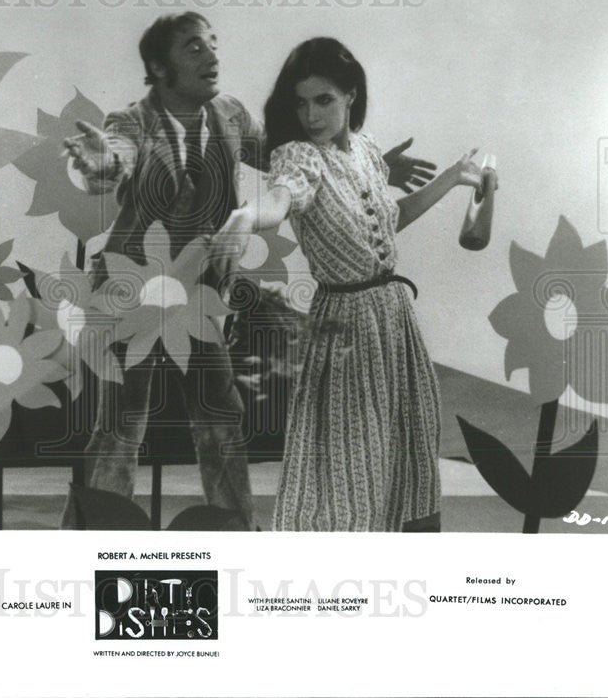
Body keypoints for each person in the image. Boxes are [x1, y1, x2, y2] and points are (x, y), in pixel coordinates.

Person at [61, 15, 440, 531]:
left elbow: (294, 159)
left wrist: (366, 168)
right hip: (134, 292)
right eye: (194, 49)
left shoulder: (231, 114)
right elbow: (113, 162)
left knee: (221, 416)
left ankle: (236, 533)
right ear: (158, 67)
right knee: (122, 423)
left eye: (213, 45)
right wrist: (98, 166)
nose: (212, 56)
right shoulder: (131, 122)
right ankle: (87, 538)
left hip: (198, 294)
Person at [211, 37, 494, 532]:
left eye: (323, 100)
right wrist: (245, 216)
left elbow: (389, 221)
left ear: (350, 96)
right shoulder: (298, 157)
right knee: (348, 463)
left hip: (394, 321)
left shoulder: (364, 150)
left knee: (403, 446)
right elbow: (279, 203)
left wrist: (452, 178)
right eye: (300, 103)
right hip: (344, 327)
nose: (311, 115)